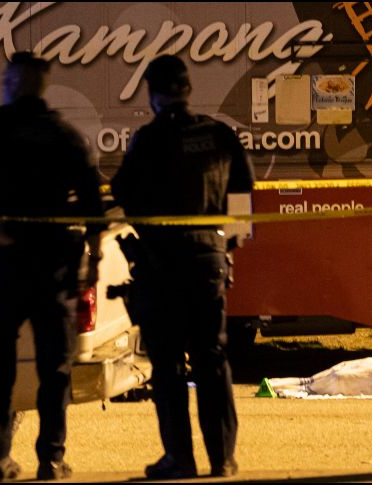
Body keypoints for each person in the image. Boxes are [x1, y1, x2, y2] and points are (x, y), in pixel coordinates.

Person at [0, 51, 104, 481]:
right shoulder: (64, 135)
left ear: (12, 83)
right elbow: (93, 206)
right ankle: (51, 460)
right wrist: (93, 261)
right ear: (43, 84)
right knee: (54, 367)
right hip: (51, 267)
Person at [111, 54, 254, 479]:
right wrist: (231, 244)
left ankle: (180, 458)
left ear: (153, 95)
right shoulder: (219, 135)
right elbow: (243, 195)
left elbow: (124, 193)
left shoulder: (148, 140)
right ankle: (222, 458)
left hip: (162, 264)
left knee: (170, 365)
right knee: (213, 358)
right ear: (188, 90)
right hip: (209, 257)